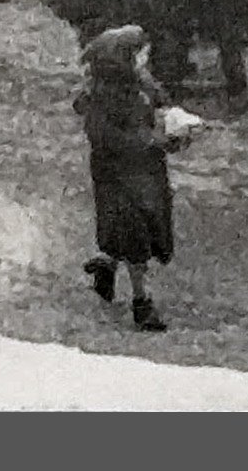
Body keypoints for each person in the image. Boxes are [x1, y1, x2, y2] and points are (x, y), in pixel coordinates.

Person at [74, 24, 182, 331]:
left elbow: (160, 102)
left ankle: (106, 267)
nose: (146, 57)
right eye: (140, 52)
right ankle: (141, 303)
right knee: (135, 236)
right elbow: (104, 136)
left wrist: (174, 126)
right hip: (119, 177)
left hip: (147, 173)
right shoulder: (104, 97)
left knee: (139, 228)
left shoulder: (141, 84)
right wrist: (149, 141)